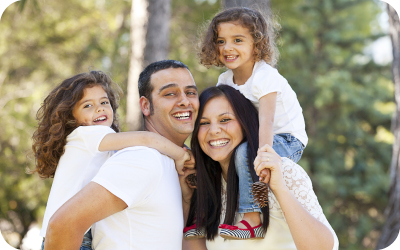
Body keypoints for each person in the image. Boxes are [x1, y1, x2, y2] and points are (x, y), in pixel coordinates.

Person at [42, 60, 198, 250]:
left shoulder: (155, 161)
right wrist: (182, 155)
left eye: (191, 92)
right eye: (170, 93)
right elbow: (62, 226)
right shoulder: (141, 158)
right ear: (145, 106)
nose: (184, 100)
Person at [190, 7, 308, 238]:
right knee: (215, 156)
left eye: (237, 40)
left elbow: (267, 121)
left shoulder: (265, 77)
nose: (227, 47)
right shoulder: (225, 79)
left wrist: (263, 156)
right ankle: (206, 218)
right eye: (221, 41)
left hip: (286, 139)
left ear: (257, 43)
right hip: (254, 135)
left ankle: (252, 219)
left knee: (244, 153)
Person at [183, 85, 339, 249]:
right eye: (204, 123)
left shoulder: (282, 172)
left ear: (246, 123)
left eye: (225, 120)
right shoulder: (207, 187)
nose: (214, 130)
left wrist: (279, 188)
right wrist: (187, 200)